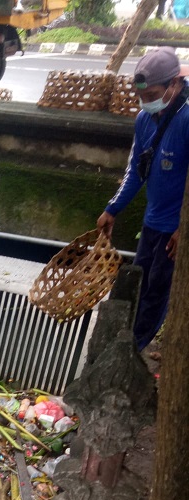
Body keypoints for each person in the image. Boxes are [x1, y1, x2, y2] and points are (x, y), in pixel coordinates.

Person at [97, 47, 189, 352]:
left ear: (175, 85)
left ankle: (133, 351)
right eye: (143, 97)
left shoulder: (186, 120)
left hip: (174, 230)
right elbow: (136, 170)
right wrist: (113, 209)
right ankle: (126, 346)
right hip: (152, 223)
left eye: (153, 95)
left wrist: (183, 229)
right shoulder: (144, 121)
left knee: (157, 293)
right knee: (138, 284)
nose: (147, 102)